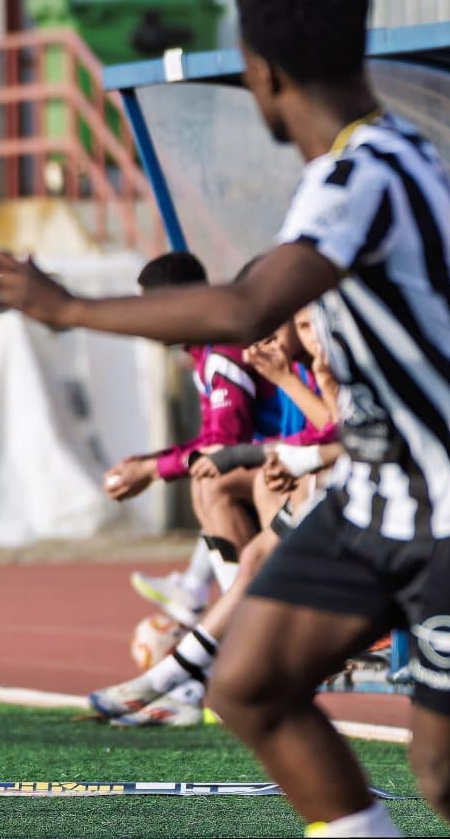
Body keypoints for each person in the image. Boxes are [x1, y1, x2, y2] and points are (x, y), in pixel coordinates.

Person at [0, 0, 450, 838]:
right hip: (375, 491)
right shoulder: (381, 163)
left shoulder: (368, 171)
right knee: (247, 684)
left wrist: (68, 307)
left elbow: (250, 304)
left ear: (259, 69)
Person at [93, 306, 343, 727]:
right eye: (300, 326)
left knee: (252, 510)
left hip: (379, 504)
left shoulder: (316, 360)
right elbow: (325, 437)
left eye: (304, 325)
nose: (305, 335)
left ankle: (200, 661)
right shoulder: (306, 363)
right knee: (245, 523)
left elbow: (342, 436)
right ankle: (215, 650)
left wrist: (154, 468)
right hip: (333, 487)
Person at [104, 251, 279, 625]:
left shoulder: (224, 350)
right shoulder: (207, 350)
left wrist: (153, 470)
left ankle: (245, 620)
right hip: (278, 459)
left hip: (295, 463)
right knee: (208, 477)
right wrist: (149, 463)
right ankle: (209, 592)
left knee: (212, 484)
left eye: (153, 307)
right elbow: (214, 440)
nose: (146, 320)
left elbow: (225, 446)